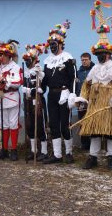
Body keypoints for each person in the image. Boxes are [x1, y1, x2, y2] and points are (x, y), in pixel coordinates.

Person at [71, 0, 112, 170]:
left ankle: (111, 157)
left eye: (102, 53)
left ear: (109, 53)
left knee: (111, 132)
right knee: (95, 131)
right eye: (97, 53)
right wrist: (83, 96)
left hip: (110, 103)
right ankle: (93, 157)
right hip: (96, 103)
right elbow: (86, 85)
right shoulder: (94, 68)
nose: (99, 56)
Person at [41, 20, 77, 164]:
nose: (52, 47)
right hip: (52, 95)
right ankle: (57, 154)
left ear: (61, 44)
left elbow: (73, 78)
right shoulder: (47, 61)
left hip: (64, 94)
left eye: (54, 45)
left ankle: (69, 152)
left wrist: (73, 94)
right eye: (50, 45)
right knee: (54, 124)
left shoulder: (68, 58)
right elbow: (44, 82)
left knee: (64, 125)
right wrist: (39, 85)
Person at [0, 40, 23, 161]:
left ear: (8, 55)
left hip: (12, 97)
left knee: (13, 124)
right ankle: (4, 150)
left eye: (1, 55)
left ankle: (14, 150)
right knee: (3, 124)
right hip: (0, 98)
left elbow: (18, 82)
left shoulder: (16, 67)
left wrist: (5, 81)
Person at [22, 43, 49, 162]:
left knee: (40, 126)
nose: (27, 62)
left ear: (34, 60)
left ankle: (44, 152)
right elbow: (24, 87)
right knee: (30, 126)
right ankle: (34, 151)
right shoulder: (26, 73)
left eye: (29, 60)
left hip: (38, 102)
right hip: (28, 102)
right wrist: (27, 90)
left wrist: (34, 90)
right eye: (26, 60)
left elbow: (43, 88)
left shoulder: (39, 71)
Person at [76, 52, 95, 150]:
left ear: (90, 60)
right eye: (82, 60)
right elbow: (76, 87)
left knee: (92, 121)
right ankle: (84, 144)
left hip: (93, 100)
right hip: (81, 101)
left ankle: (94, 144)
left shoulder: (95, 70)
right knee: (82, 121)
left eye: (86, 59)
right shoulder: (78, 72)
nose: (84, 61)